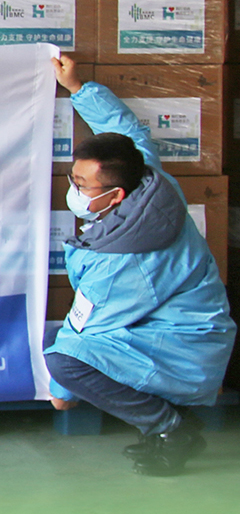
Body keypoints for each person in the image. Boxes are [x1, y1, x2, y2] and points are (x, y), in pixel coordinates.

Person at [47, 53, 235, 476]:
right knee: (61, 347)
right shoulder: (149, 180)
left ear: (114, 196)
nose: (73, 188)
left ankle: (169, 428)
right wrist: (78, 87)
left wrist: (61, 390)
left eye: (81, 184)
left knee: (64, 360)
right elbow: (126, 132)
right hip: (170, 324)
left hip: (185, 347)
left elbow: (85, 326)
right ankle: (168, 418)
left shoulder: (126, 263)